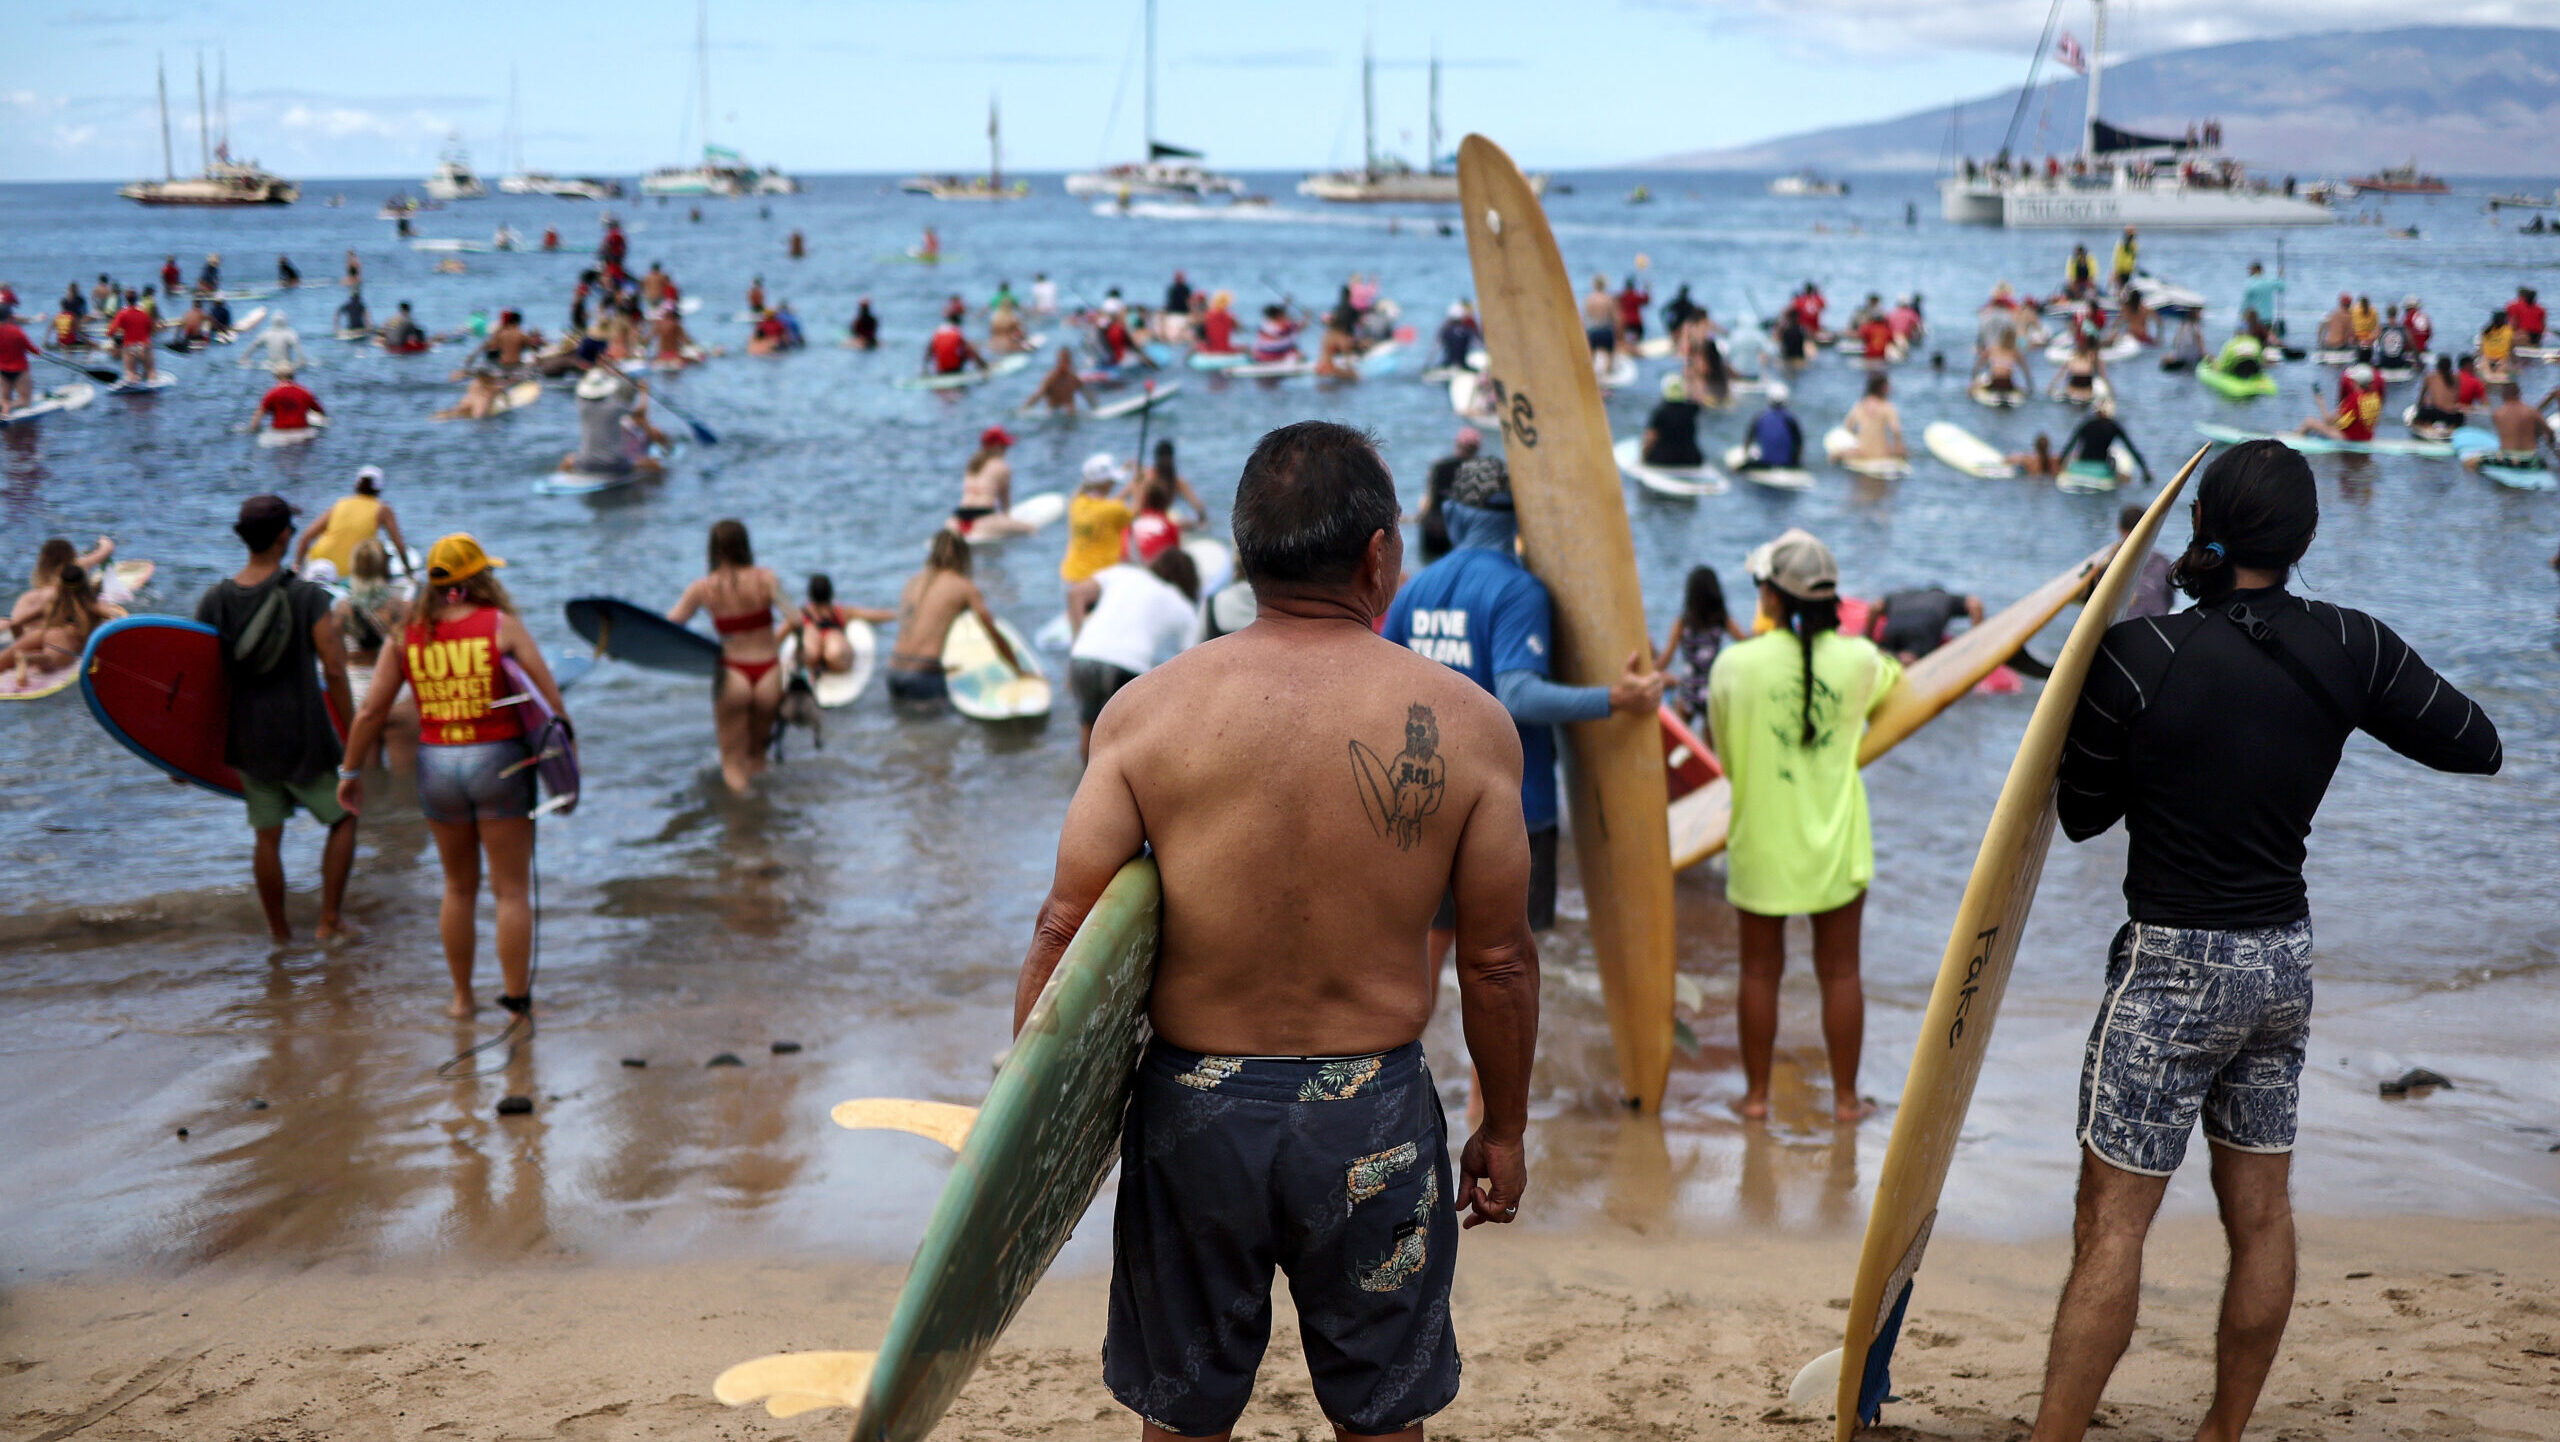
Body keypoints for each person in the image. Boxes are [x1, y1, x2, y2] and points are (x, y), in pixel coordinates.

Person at [1015, 419, 1537, 1441]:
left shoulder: (1142, 713)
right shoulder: (1469, 725)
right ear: (1379, 556)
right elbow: (1498, 959)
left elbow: (1062, 927)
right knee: (1381, 1416)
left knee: (1182, 1413)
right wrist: (1504, 1126)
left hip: (1192, 1115)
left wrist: (1037, 1136)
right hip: (1372, 1115)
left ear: (1245, 554)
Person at [2030, 440, 2502, 1442]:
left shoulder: (2139, 655)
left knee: (2112, 1223)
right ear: (2305, 538)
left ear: (2202, 522)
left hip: (2169, 967)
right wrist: (2350, 697)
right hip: (2281, 965)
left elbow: (2078, 816)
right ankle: (2222, 1432)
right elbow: (2475, 741)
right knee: (2260, 1216)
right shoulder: (2350, 645)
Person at [1384, 456, 1664, 969]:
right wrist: (1615, 700)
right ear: (1518, 518)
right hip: (1510, 806)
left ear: (1451, 512)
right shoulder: (1518, 590)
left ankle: (1404, 1048)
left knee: (1430, 947)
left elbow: (1379, 687)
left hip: (1427, 800)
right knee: (1503, 963)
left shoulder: (1414, 591)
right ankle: (1481, 1056)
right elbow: (1519, 696)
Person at [1709, 529, 1902, 1123]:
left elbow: (1727, 757)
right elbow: (1899, 695)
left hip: (1761, 840)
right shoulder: (1863, 661)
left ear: (1771, 597)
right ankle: (1846, 1103)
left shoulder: (1734, 665)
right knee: (1841, 972)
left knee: (1759, 973)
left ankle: (1757, 1099)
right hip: (1836, 843)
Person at [337, 535, 572, 1020]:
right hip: (499, 763)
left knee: (457, 888)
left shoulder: (407, 635)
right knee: (510, 890)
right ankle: (515, 1002)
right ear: (478, 580)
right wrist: (565, 776)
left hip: (438, 764)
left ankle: (462, 1000)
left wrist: (350, 770)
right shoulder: (502, 626)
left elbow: (370, 711)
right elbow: (552, 709)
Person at [197, 496, 359, 944]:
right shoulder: (306, 596)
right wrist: (353, 734)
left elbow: (200, 680)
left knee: (267, 837)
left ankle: (279, 932)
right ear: (286, 536)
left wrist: (189, 751)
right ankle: (329, 921)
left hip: (249, 739)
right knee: (343, 818)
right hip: (304, 735)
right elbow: (335, 669)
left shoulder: (217, 600)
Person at [664, 520, 785, 792]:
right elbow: (796, 619)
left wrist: (624, 644)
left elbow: (670, 626)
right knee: (757, 755)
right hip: (768, 672)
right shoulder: (767, 579)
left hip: (733, 673)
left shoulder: (703, 589)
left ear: (714, 550)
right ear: (745, 545)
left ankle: (742, 820)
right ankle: (765, 817)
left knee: (731, 762)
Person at [1067, 547, 1199, 760]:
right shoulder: (1182, 604)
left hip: (1083, 655)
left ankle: (1088, 786)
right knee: (1123, 740)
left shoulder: (1123, 573)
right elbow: (1191, 658)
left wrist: (1077, 642)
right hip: (1127, 664)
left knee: (1088, 728)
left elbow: (1076, 594)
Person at [885, 530, 1023, 705]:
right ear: (963, 557)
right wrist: (1017, 670)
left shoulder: (913, 581)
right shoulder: (963, 586)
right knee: (934, 730)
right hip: (924, 676)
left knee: (906, 728)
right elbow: (992, 632)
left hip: (893, 671)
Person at [0, 560, 120, 687]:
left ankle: (19, 657)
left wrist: (19, 637)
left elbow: (17, 622)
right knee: (50, 660)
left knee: (3, 661)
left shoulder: (53, 602)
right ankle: (27, 658)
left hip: (41, 633)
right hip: (64, 638)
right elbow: (115, 617)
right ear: (84, 583)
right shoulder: (90, 604)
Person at [1656, 564, 1744, 733]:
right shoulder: (1722, 620)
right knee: (1710, 748)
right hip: (1713, 689)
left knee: (1680, 738)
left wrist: (1650, 669)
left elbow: (1666, 659)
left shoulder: (1683, 623)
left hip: (1689, 689)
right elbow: (1744, 642)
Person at [1062, 453, 1135, 633]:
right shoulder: (1113, 510)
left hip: (1071, 579)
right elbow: (1135, 512)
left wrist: (1125, 475)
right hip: (1097, 582)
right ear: (1106, 483)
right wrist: (1139, 486)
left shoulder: (1076, 503)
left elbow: (1111, 504)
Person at [297, 467, 413, 580]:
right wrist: (408, 569)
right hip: (350, 571)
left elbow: (305, 537)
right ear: (379, 490)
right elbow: (398, 544)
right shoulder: (383, 509)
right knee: (379, 549)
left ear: (356, 485)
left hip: (317, 563)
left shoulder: (339, 504)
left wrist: (297, 566)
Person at [561, 367, 665, 480]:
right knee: (655, 466)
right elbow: (640, 413)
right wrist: (644, 393)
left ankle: (560, 476)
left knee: (569, 458)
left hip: (585, 463)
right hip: (613, 465)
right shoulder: (615, 407)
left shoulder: (581, 405)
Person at [788, 574, 894, 677]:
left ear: (810, 595)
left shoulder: (800, 615)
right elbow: (873, 615)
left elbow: (777, 637)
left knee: (810, 641)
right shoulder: (840, 612)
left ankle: (814, 667)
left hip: (811, 659)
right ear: (831, 594)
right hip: (836, 662)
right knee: (833, 647)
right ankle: (825, 662)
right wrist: (898, 614)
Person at [950, 426, 1031, 539]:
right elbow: (1005, 504)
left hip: (959, 517)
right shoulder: (1001, 466)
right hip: (984, 517)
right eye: (1004, 446)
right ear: (996, 447)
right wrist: (1007, 522)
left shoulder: (972, 464)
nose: (1006, 450)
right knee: (1031, 530)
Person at [1414, 426, 1480, 564]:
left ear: (1457, 445)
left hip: (1432, 528)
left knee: (1429, 569)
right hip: (1455, 534)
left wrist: (1421, 516)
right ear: (1476, 449)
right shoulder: (1477, 472)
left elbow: (1427, 500)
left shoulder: (1439, 466)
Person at [1869, 585, 1983, 660]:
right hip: (1922, 629)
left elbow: (1875, 607)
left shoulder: (1900, 595)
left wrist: (1868, 637)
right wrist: (1976, 642)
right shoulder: (1945, 597)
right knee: (1909, 658)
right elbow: (1975, 604)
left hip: (1893, 628)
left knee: (1885, 653)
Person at [2060, 396, 2154, 485]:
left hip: (2081, 464)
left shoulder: (2086, 423)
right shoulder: (2113, 426)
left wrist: (2060, 464)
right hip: (2102, 467)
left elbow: (2070, 445)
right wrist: (2145, 471)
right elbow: (2131, 448)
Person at [2463, 383, 2547, 477]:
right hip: (2531, 460)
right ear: (2519, 394)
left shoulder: (2498, 413)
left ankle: (2481, 486)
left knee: (2468, 463)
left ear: (2503, 395)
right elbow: (2549, 432)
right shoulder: (2532, 412)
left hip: (2508, 460)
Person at [2117, 503, 2175, 620]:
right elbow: (2170, 601)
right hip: (2157, 628)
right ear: (2150, 530)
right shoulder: (2163, 562)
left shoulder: (2109, 565)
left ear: (2120, 529)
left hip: (2122, 630)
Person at [2298, 363, 2379, 443]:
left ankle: (2293, 444)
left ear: (2356, 382)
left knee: (2309, 422)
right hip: (2367, 437)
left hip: (2350, 438)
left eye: (2353, 380)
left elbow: (2329, 420)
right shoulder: (2375, 398)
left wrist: (2320, 402)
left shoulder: (2354, 398)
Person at [1640, 372, 1705, 466]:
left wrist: (1643, 456)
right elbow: (1699, 396)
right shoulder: (1692, 409)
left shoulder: (1660, 411)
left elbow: (1650, 437)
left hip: (1663, 459)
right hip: (1690, 458)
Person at [1738, 381, 1803, 470]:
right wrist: (1797, 464)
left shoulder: (1760, 417)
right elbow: (1799, 444)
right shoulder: (1791, 419)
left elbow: (1748, 441)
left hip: (1763, 463)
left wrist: (1746, 458)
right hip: (1787, 464)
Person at [1842, 373, 1907, 462]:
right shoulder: (1887, 407)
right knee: (1907, 452)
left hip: (1862, 453)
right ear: (1881, 388)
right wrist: (1899, 447)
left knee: (1842, 452)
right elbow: (1896, 431)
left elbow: (1848, 426)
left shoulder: (1859, 405)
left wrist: (1858, 437)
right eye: (1888, 386)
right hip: (1882, 454)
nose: (1890, 389)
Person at [253, 365, 324, 440]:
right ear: (293, 376)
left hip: (280, 433)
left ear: (276, 377)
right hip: (301, 432)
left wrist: (251, 429)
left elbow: (259, 414)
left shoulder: (272, 393)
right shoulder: (305, 392)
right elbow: (320, 411)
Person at [1020, 345, 1092, 415]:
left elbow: (1088, 396)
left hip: (1070, 415)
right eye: (1063, 360)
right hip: (1053, 414)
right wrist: (1024, 409)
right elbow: (1038, 395)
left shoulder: (1073, 379)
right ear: (1058, 362)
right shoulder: (1051, 379)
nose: (1065, 363)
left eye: (1067, 360)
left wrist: (1096, 410)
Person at [106, 293, 156, 383]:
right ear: (136, 299)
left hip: (129, 347)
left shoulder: (122, 313)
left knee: (130, 372)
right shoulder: (144, 312)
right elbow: (151, 329)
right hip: (143, 345)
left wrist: (113, 340)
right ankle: (152, 384)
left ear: (126, 300)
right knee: (150, 371)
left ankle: (132, 382)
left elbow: (111, 331)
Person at [2411, 354, 2467, 433]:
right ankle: (2451, 428)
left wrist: (2419, 409)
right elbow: (2456, 397)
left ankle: (2428, 426)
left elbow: (2421, 398)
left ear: (2437, 366)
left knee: (2419, 417)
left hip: (2437, 413)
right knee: (2460, 416)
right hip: (2454, 415)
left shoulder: (2430, 377)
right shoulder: (2456, 377)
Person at [0, 306, 33, 417]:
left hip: (2, 369)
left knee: (5, 398)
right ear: (10, 317)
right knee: (25, 401)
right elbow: (29, 347)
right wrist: (38, 352)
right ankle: (11, 406)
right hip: (19, 369)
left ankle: (5, 407)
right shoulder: (17, 331)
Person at [2238, 262, 2284, 339]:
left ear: (2255, 270)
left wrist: (2241, 315)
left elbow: (2245, 301)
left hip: (2253, 319)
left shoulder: (2250, 282)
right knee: (2266, 340)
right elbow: (2282, 288)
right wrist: (2280, 276)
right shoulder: (2269, 281)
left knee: (2253, 340)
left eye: (2250, 270)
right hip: (2267, 318)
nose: (2249, 272)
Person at [1434, 301, 1480, 371]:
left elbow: (1438, 346)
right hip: (1462, 365)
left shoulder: (1446, 331)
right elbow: (1476, 344)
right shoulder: (1467, 331)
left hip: (1448, 364)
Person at [1581, 273, 1618, 358]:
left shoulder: (1589, 299)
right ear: (1605, 285)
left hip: (1593, 332)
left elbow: (1583, 319)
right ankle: (1609, 368)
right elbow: (1615, 319)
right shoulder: (1608, 299)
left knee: (1591, 358)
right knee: (1610, 356)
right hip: (1606, 332)